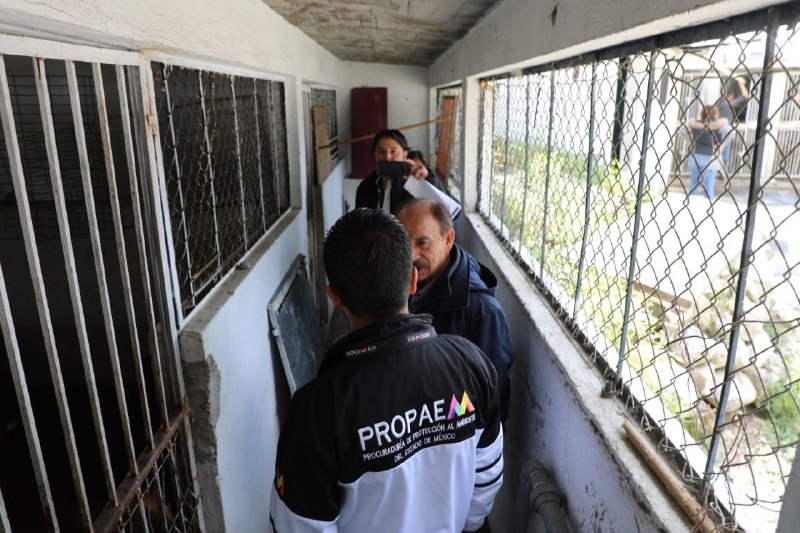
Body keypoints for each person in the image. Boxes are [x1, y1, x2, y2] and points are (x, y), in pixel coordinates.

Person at [270, 208, 504, 533]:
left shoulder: (316, 411)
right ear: (412, 280)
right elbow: (486, 478)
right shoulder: (471, 363)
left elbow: (300, 525)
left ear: (334, 297)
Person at [395, 199, 513, 422]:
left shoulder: (483, 310)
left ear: (448, 239)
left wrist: (444, 425)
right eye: (403, 243)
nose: (411, 256)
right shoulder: (400, 282)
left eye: (423, 243)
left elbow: (491, 395)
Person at [355, 129, 449, 214]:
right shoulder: (365, 188)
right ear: (374, 155)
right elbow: (358, 221)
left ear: (404, 155)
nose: (387, 157)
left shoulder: (415, 181)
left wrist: (429, 179)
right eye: (381, 151)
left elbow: (447, 211)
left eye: (393, 151)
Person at [682, 104, 732, 198]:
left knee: (694, 183)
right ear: (716, 113)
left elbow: (682, 130)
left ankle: (689, 202)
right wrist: (722, 144)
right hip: (710, 157)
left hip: (696, 155)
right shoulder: (719, 125)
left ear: (702, 113)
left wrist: (690, 140)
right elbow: (730, 132)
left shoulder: (695, 124)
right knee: (708, 185)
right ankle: (708, 204)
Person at [717, 77, 749, 171]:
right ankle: (723, 170)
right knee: (725, 151)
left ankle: (720, 169)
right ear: (729, 96)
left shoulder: (719, 104)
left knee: (721, 150)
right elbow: (745, 96)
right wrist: (740, 83)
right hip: (725, 130)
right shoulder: (726, 104)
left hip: (719, 130)